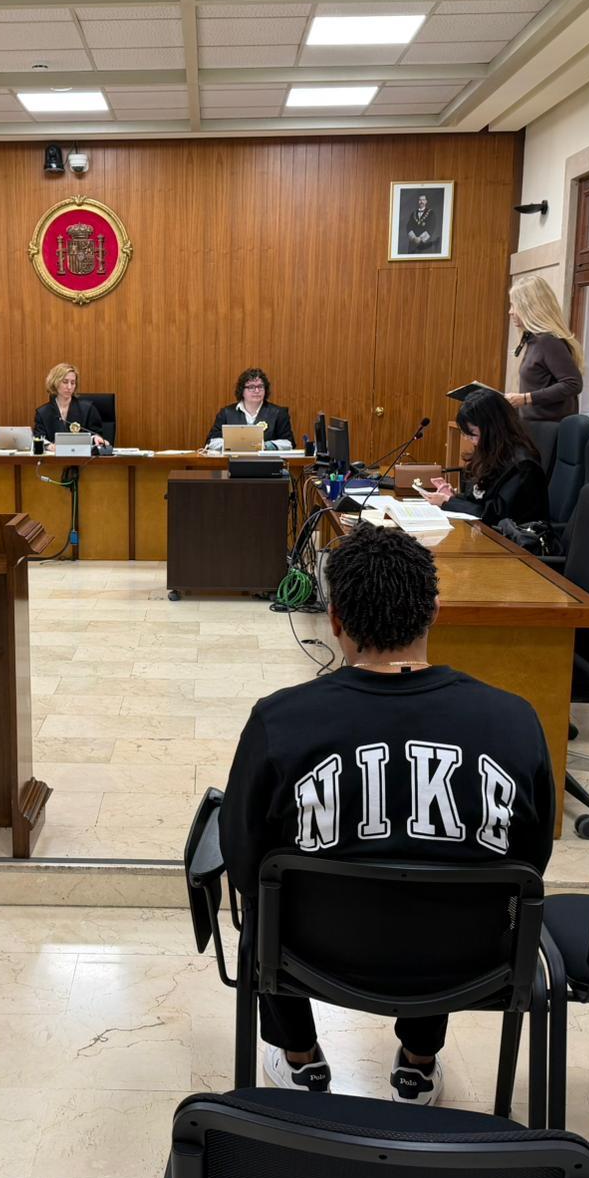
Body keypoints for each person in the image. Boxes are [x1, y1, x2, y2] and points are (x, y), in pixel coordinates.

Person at [219, 524, 554, 1102]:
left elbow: (243, 858)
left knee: (266, 895)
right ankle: (418, 1064)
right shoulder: (515, 721)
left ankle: (300, 1058)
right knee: (456, 878)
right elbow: (531, 858)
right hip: (466, 961)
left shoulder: (279, 720)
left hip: (306, 955)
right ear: (435, 612)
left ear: (336, 621)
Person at [422, 389, 548, 524]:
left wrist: (449, 502)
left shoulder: (523, 465)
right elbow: (478, 499)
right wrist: (454, 497)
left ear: (493, 428)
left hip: (509, 534)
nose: (469, 439)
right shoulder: (489, 451)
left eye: (473, 433)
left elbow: (497, 515)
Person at [505, 275, 583, 422]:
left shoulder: (548, 341)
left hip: (548, 429)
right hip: (532, 426)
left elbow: (573, 384)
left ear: (529, 307)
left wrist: (526, 398)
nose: (510, 312)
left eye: (514, 306)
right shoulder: (532, 340)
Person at [206, 368, 294, 450]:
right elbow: (211, 442)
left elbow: (289, 443)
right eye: (251, 387)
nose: (257, 391)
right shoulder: (226, 413)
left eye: (260, 386)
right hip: (234, 460)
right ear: (242, 390)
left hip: (267, 460)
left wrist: (266, 446)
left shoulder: (278, 413)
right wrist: (233, 444)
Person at [33, 363, 107, 448]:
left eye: (73, 383)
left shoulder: (88, 409)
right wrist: (48, 446)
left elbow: (97, 434)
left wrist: (96, 438)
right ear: (55, 383)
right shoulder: (43, 413)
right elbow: (38, 437)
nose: (69, 387)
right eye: (65, 382)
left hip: (81, 455)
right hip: (54, 455)